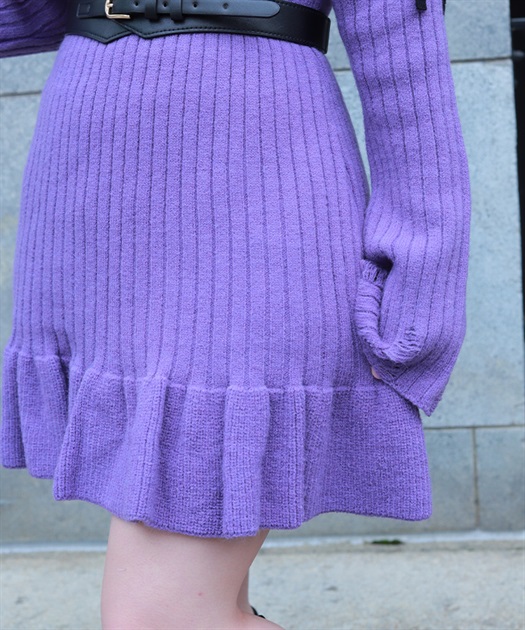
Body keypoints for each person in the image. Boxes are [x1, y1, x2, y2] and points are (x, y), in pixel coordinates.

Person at [0, 0, 470, 627]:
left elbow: (406, 71)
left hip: (255, 205)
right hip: (89, 195)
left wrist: (417, 288)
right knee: (199, 611)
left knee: (156, 618)